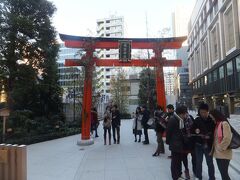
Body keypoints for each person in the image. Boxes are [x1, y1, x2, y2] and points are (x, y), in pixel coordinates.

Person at [192, 103, 216, 180]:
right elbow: (192, 130)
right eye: (201, 112)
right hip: (198, 145)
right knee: (199, 162)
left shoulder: (211, 121)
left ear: (207, 112)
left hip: (208, 145)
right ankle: (199, 177)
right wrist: (196, 130)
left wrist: (210, 136)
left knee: (210, 163)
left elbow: (214, 133)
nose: (203, 114)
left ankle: (212, 178)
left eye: (205, 112)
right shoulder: (197, 120)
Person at [166, 106, 188, 180]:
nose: (185, 115)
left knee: (178, 161)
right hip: (175, 144)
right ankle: (175, 176)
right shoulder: (173, 120)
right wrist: (169, 142)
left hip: (179, 144)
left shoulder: (179, 119)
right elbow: (168, 132)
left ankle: (178, 174)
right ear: (181, 114)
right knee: (175, 162)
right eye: (185, 114)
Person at [210, 109, 232, 180]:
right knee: (223, 174)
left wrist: (221, 148)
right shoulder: (218, 124)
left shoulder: (224, 124)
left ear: (216, 116)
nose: (212, 118)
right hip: (219, 154)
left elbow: (227, 138)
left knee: (224, 174)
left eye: (212, 117)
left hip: (224, 154)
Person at [181, 111, 195, 179]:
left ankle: (195, 170)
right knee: (184, 157)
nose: (184, 115)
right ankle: (186, 170)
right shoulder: (180, 120)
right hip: (184, 142)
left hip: (191, 141)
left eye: (185, 113)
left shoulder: (191, 118)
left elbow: (195, 128)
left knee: (194, 157)